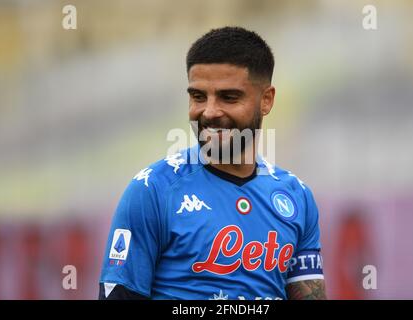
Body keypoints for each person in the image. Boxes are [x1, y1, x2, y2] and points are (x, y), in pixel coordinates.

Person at [99, 26, 326, 300]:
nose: (209, 112)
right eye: (198, 96)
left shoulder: (297, 197)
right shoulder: (152, 190)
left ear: (266, 100)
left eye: (229, 97)